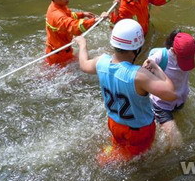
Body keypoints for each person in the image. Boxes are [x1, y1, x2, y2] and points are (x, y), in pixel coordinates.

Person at [75, 19, 176, 165]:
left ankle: (111, 153)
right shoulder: (139, 75)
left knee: (118, 146)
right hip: (138, 131)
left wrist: (82, 44)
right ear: (137, 48)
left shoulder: (101, 62)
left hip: (114, 123)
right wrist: (156, 69)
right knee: (138, 161)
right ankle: (106, 162)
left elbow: (84, 65)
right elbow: (171, 94)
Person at [145, 22, 195, 148]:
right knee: (177, 141)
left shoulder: (191, 47)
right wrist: (152, 68)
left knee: (176, 124)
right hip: (161, 104)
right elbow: (143, 70)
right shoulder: (161, 56)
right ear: (173, 50)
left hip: (179, 100)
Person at [45, 0, 106, 65]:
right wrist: (96, 21)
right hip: (59, 57)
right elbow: (74, 27)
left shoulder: (57, 6)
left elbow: (68, 15)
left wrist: (82, 14)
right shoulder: (57, 15)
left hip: (59, 51)